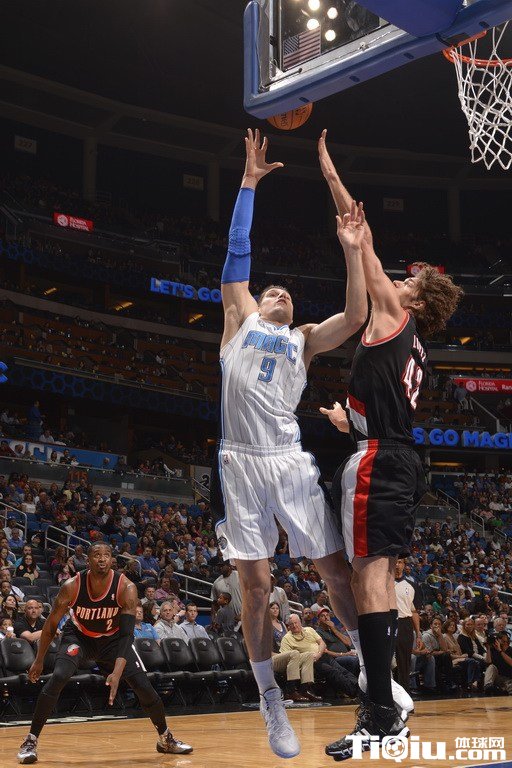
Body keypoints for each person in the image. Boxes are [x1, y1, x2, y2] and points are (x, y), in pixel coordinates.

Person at [209, 128, 368, 760]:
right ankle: (269, 697)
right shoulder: (238, 319)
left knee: (334, 569)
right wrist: (248, 183)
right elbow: (237, 253)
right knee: (255, 585)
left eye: (288, 293)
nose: (280, 294)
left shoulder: (303, 339)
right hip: (240, 463)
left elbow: (355, 318)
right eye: (272, 290)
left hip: (289, 461)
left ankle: (370, 667)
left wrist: (353, 253)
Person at [318, 130, 463, 760]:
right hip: (389, 452)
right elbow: (388, 407)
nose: (399, 278)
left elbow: (363, 235)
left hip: (382, 460)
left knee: (369, 578)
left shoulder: (394, 314)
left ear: (416, 298)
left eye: (410, 279)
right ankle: (383, 705)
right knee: (365, 576)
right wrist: (350, 420)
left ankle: (382, 711)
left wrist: (329, 173)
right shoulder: (413, 345)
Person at [16, 543, 192, 764]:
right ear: (87, 560)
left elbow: (127, 635)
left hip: (113, 640)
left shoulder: (126, 587)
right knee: (59, 676)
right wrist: (39, 660)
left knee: (143, 687)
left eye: (106, 555)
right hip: (79, 637)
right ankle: (31, 740)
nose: (102, 559)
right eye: (97, 555)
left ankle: (165, 739)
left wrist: (117, 672)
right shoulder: (72, 586)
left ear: (112, 560)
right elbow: (51, 625)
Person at [280, 613, 357, 700]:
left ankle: (359, 688)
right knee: (334, 672)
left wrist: (319, 654)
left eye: (296, 623)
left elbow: (322, 643)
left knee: (343, 670)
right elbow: (287, 657)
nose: (294, 625)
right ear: (288, 626)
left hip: (323, 655)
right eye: (291, 624)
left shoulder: (309, 630)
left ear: (300, 622)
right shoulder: (287, 638)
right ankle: (354, 692)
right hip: (312, 661)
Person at [394, 556, 423, 693]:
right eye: (394, 562)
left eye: (399, 562)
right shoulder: (383, 583)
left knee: (404, 661)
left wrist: (418, 634)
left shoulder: (412, 585)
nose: (397, 565)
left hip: (404, 623)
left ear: (404, 565)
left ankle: (405, 693)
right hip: (387, 621)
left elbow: (414, 612)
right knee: (385, 660)